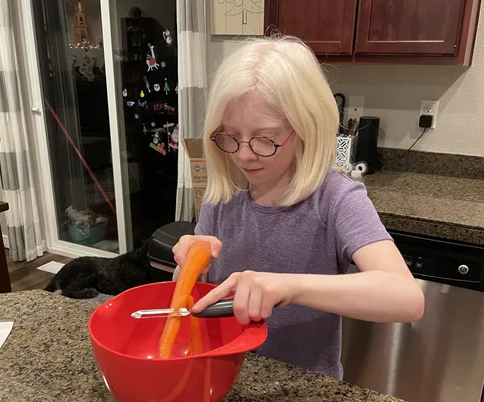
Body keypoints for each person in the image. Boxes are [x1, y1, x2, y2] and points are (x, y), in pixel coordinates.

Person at [172, 36, 424, 379]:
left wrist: (289, 287)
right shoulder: (224, 193)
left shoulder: (336, 199)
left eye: (265, 138)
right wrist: (186, 266)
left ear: (305, 128)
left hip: (303, 392)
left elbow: (406, 298)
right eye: (230, 135)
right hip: (223, 376)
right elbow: (192, 293)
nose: (244, 154)